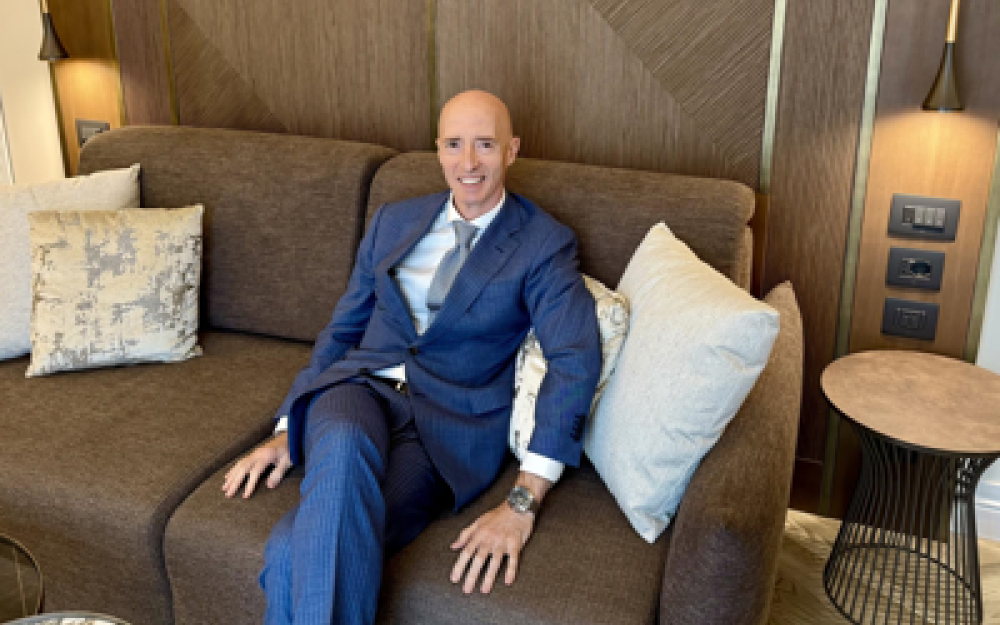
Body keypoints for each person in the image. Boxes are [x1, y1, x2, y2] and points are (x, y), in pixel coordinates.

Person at [222, 89, 602, 625]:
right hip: (357, 392)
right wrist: (290, 425)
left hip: (442, 434)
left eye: (485, 144)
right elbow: (343, 329)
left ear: (511, 150)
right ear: (438, 149)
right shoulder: (393, 222)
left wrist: (524, 500)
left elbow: (574, 358)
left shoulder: (542, 243)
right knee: (345, 439)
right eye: (454, 144)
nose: (468, 163)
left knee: (292, 548)